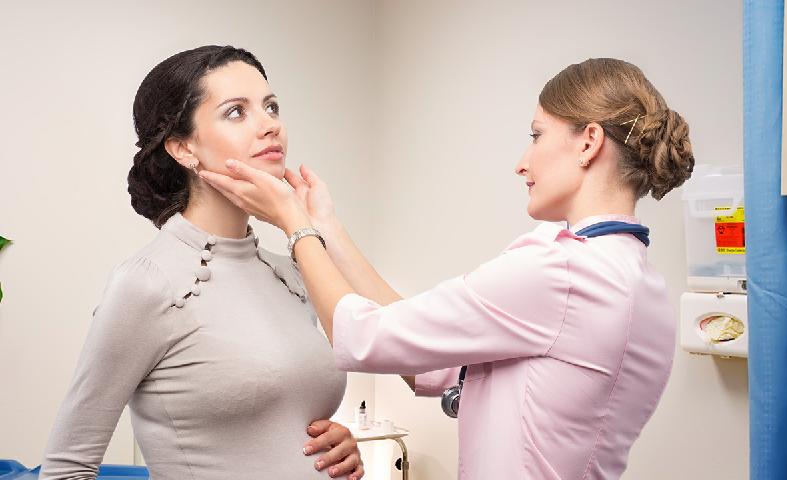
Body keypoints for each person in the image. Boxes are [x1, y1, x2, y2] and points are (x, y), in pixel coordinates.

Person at [203, 58, 695, 479]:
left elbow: (365, 337)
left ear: (588, 142)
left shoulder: (559, 270)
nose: (522, 163)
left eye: (536, 135)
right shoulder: (636, 279)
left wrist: (292, 222)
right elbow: (423, 357)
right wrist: (326, 228)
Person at [40, 46, 363, 480]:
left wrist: (333, 447)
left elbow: (277, 423)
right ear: (182, 148)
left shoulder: (291, 272)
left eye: (271, 107)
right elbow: (66, 468)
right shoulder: (148, 283)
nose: (270, 125)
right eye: (236, 112)